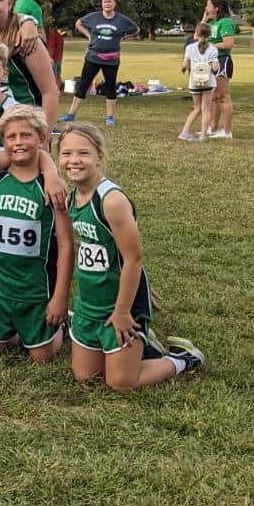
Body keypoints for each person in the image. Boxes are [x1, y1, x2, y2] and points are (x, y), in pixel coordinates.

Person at [59, 122, 204, 389]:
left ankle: (183, 358)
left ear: (99, 156)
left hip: (121, 302)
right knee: (85, 376)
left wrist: (124, 311)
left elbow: (134, 259)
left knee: (121, 382)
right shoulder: (73, 198)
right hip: (90, 302)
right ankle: (143, 345)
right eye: (66, 154)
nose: (74, 161)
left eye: (83, 153)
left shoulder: (111, 200)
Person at [0, 105, 72, 362]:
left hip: (34, 290)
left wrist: (60, 297)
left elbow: (66, 244)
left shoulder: (51, 189)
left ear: (42, 139)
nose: (18, 142)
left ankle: (63, 324)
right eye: (11, 136)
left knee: (42, 358)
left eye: (26, 135)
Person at [61, 0, 138, 127]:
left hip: (112, 59)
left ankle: (110, 117)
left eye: (110, 2)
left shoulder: (122, 20)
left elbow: (136, 29)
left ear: (114, 4)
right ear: (101, 4)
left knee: (110, 87)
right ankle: (71, 114)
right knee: (84, 84)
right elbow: (78, 23)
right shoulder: (93, 17)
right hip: (93, 57)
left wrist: (124, 37)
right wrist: (88, 35)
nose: (107, 4)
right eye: (104, 2)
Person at [178, 22, 219, 142]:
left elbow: (185, 65)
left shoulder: (190, 48)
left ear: (196, 33)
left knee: (196, 108)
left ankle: (185, 132)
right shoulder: (213, 48)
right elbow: (215, 68)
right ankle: (203, 136)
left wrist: (183, 69)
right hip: (209, 82)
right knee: (206, 109)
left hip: (194, 82)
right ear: (209, 35)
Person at [202, 0, 237, 139]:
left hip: (222, 60)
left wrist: (211, 46)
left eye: (208, 6)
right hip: (212, 62)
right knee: (215, 97)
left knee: (224, 96)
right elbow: (199, 37)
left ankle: (227, 131)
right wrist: (204, 20)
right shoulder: (211, 24)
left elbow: (229, 44)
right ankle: (213, 128)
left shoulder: (225, 22)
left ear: (216, 8)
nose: (206, 8)